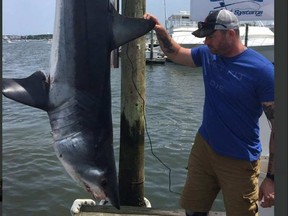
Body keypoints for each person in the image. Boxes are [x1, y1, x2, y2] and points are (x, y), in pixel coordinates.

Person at [144, 9, 275, 216]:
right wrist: (160, 30)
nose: (206, 42)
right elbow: (176, 53)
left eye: (211, 36)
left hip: (239, 158)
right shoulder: (208, 55)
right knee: (193, 209)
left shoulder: (263, 71)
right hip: (204, 148)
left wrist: (271, 178)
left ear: (230, 34)